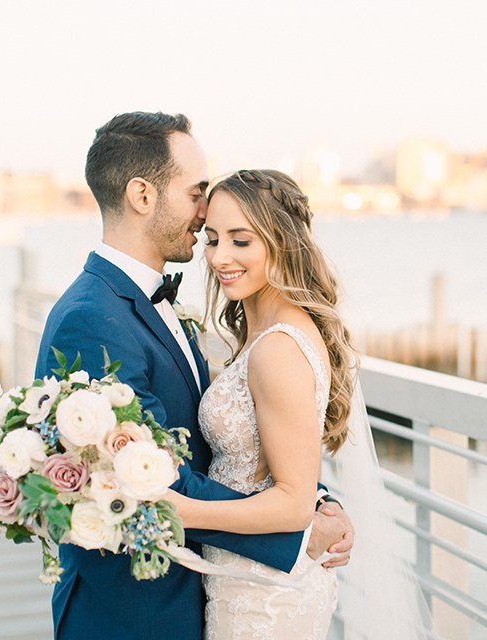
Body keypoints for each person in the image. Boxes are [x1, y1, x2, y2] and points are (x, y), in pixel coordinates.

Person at [33, 112, 351, 640]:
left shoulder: (156, 303)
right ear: (142, 195)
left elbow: (221, 445)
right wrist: (297, 530)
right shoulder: (91, 319)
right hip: (134, 613)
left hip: (202, 592)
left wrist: (310, 496)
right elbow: (145, 476)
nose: (205, 215)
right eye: (196, 191)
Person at [166, 169, 431, 640]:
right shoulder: (262, 334)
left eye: (240, 241)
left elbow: (292, 506)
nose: (219, 257)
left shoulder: (277, 348)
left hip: (264, 597)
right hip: (246, 577)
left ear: (281, 243)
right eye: (211, 239)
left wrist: (178, 509)